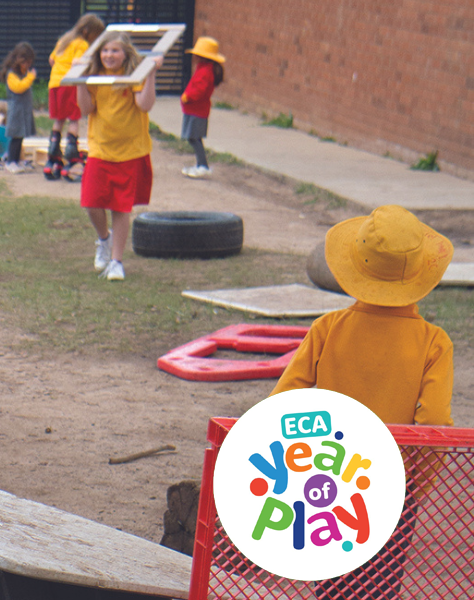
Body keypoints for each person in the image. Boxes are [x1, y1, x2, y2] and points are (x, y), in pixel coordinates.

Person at [269, 205, 453, 600]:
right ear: (421, 271)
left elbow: (282, 402)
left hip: (328, 481)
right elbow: (435, 420)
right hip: (393, 485)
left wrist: (294, 469)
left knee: (332, 582)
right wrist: (415, 487)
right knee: (380, 586)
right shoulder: (434, 342)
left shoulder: (327, 328)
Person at [76, 31, 162, 281]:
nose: (109, 55)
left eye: (115, 50)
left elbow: (145, 105)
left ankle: (116, 261)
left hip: (129, 151)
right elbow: (85, 109)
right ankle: (104, 239)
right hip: (101, 149)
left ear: (125, 53)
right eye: (105, 50)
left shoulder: (133, 76)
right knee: (91, 204)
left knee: (120, 208)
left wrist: (151, 74)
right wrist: (80, 80)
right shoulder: (95, 77)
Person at [45, 13, 105, 182]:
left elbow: (51, 60)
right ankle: (72, 154)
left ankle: (53, 151)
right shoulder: (81, 44)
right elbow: (78, 63)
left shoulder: (64, 39)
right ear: (87, 31)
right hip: (69, 85)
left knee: (59, 120)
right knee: (74, 119)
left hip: (54, 84)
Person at [180, 37, 225, 179]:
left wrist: (188, 96)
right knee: (194, 137)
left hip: (196, 110)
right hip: (195, 110)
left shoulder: (205, 72)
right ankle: (201, 164)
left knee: (194, 138)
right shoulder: (205, 69)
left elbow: (199, 89)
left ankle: (203, 165)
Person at [0, 41, 37, 174]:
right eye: (25, 62)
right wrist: (30, 78)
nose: (27, 65)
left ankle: (16, 160)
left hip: (23, 111)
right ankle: (11, 161)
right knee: (15, 137)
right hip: (16, 112)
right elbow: (19, 87)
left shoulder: (22, 73)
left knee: (20, 137)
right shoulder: (12, 74)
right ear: (18, 60)